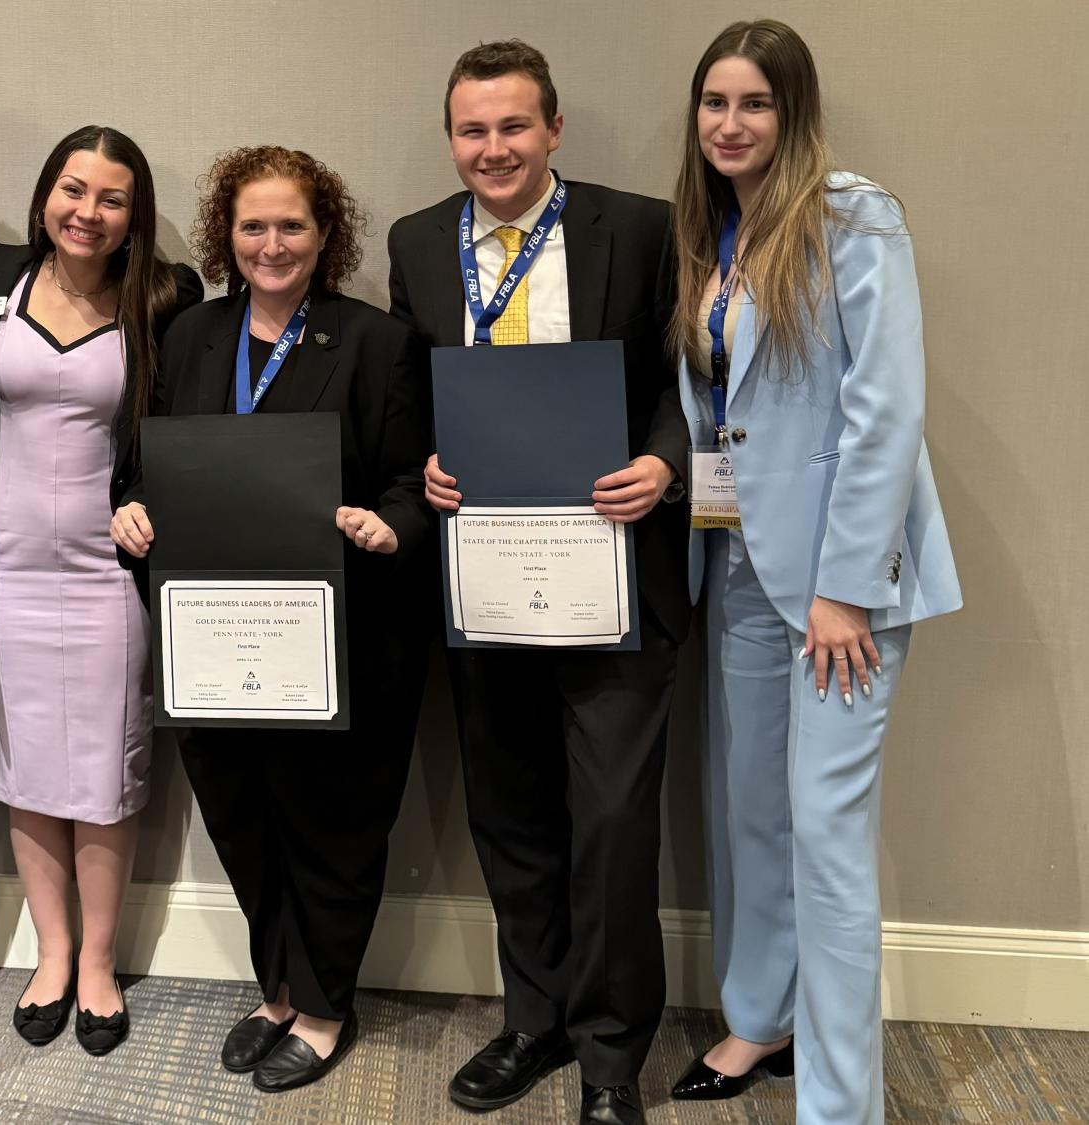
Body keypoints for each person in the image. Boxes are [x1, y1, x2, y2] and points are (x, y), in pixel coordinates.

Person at [664, 20, 962, 1124]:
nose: (730, 124)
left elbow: (885, 414)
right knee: (747, 814)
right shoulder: (715, 234)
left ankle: (843, 1107)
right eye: (714, 103)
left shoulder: (851, 215)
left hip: (843, 586)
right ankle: (761, 1020)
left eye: (754, 104)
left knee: (829, 841)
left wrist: (848, 585)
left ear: (793, 114)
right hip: (738, 566)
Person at [387, 40, 689, 1125]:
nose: (493, 148)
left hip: (615, 570)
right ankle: (535, 1018)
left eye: (514, 126)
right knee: (511, 815)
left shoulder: (640, 225)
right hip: (488, 578)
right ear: (451, 137)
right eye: (473, 129)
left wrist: (666, 463)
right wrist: (419, 460)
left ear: (553, 129)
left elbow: (681, 376)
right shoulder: (416, 242)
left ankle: (611, 1061)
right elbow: (413, 393)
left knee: (611, 827)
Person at [110, 145, 430, 1093]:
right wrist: (128, 505)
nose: (272, 242)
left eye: (292, 224)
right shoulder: (193, 337)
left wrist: (390, 522)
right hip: (210, 635)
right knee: (243, 821)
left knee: (331, 825)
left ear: (325, 234)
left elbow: (416, 479)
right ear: (226, 233)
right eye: (253, 225)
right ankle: (277, 987)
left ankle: (325, 1005)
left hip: (338, 637)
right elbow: (148, 464)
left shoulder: (374, 341)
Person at [0, 125, 202, 1055]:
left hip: (108, 575)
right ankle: (52, 952)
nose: (88, 212)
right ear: (44, 194)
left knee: (105, 769)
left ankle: (99, 961)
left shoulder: (165, 299)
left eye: (112, 198)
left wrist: (144, 498)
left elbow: (182, 424)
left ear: (133, 216)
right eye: (73, 189)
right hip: (5, 568)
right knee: (27, 766)